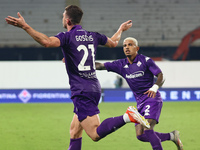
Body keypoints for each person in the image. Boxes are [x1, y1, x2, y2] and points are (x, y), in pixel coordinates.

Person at [5, 5, 150, 150]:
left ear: (67, 21)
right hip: (93, 86)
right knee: (75, 132)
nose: (62, 18)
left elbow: (46, 42)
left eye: (63, 16)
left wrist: (25, 26)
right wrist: (121, 30)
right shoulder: (92, 35)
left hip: (81, 91)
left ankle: (128, 116)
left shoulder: (66, 36)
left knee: (94, 134)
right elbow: (113, 43)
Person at [95, 37, 184, 150]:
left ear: (137, 48)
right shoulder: (121, 65)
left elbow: (161, 75)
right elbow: (101, 66)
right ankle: (172, 136)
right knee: (141, 136)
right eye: (124, 45)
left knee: (148, 129)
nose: (127, 47)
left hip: (152, 98)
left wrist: (155, 87)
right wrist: (81, 64)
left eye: (130, 45)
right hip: (140, 103)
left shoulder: (145, 61)